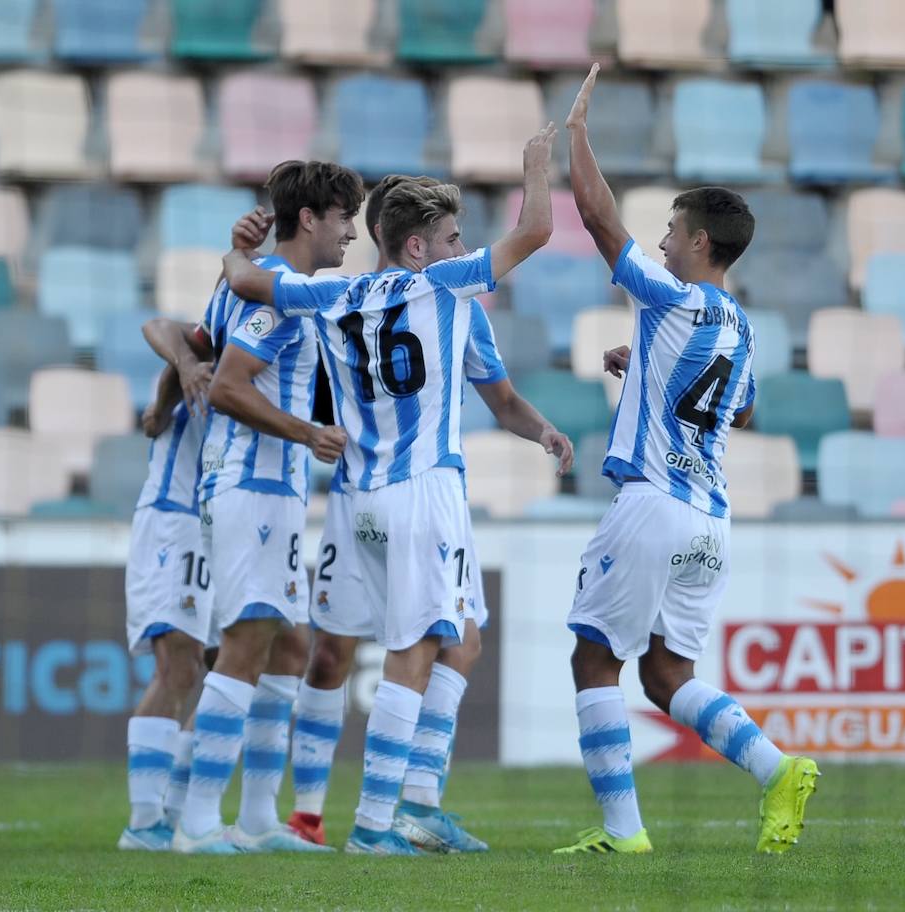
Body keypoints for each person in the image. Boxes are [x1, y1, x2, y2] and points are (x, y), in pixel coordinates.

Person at [222, 123, 564, 855]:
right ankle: (380, 824)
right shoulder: (440, 287)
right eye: (450, 237)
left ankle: (385, 808)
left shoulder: (331, 293)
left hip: (354, 493)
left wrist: (237, 247)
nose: (459, 249)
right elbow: (537, 229)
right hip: (421, 489)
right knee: (420, 645)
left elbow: (247, 280)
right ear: (417, 246)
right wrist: (536, 166)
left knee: (443, 637)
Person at [555, 64, 818, 856]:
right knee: (666, 675)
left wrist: (575, 139)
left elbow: (601, 223)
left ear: (701, 242)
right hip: (711, 518)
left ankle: (622, 834)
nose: (663, 241)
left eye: (671, 231)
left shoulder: (670, 296)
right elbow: (736, 409)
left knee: (594, 657)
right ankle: (777, 770)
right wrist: (644, 368)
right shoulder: (741, 325)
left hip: (653, 505)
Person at [171, 160, 363, 855]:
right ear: (310, 219)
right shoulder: (278, 294)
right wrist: (307, 432)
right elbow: (226, 385)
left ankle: (255, 819)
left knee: (287, 642)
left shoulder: (251, 282)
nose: (351, 232)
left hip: (268, 490)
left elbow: (196, 339)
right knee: (251, 637)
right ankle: (194, 820)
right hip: (249, 486)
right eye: (344, 218)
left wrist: (235, 255)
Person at [117, 361, 212, 852]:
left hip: (218, 522)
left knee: (216, 671)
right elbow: (164, 335)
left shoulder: (269, 344)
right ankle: (144, 821)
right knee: (177, 666)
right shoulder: (206, 340)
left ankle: (173, 810)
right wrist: (162, 399)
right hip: (173, 519)